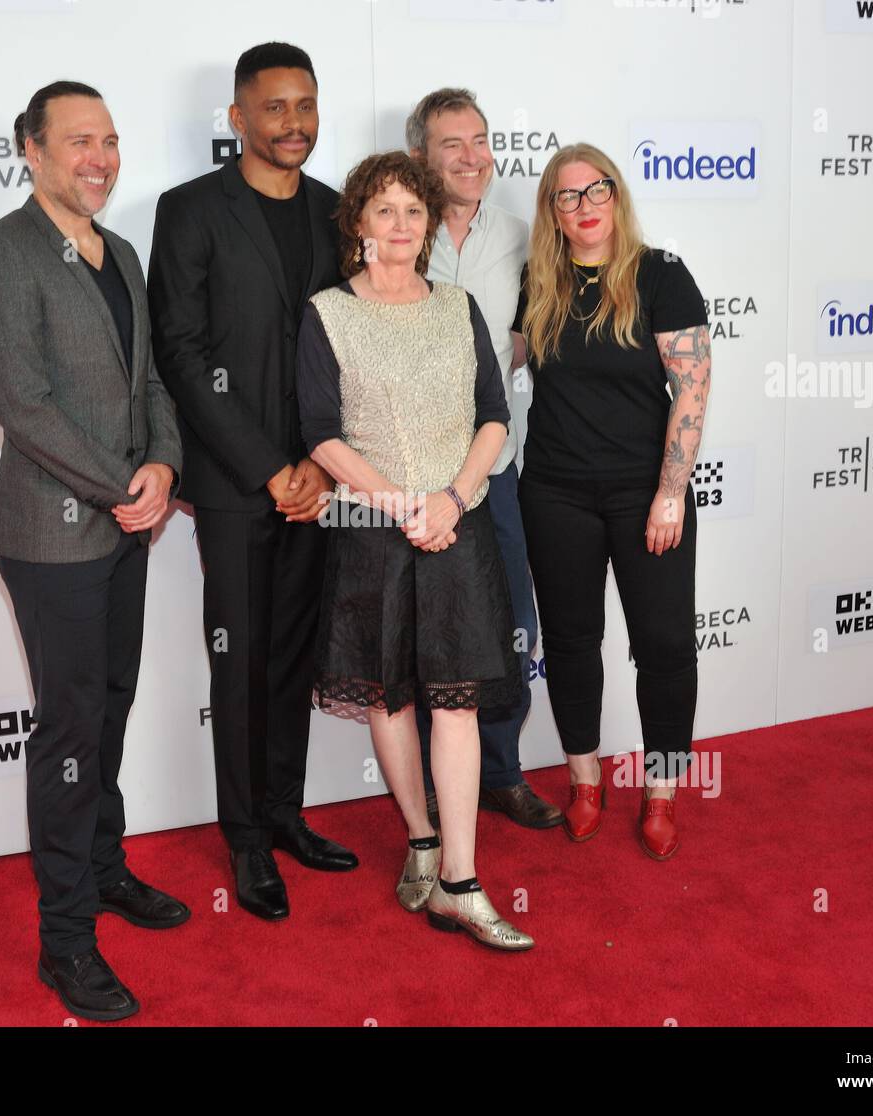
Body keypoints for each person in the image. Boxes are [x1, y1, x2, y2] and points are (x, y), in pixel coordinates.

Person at [0, 81, 187, 1023]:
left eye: (111, 141)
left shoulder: (121, 251)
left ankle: (104, 870)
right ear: (31, 149)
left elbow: (154, 386)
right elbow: (25, 406)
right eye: (78, 141)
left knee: (112, 707)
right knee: (66, 733)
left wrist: (165, 465)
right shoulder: (1, 254)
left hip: (128, 522)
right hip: (53, 537)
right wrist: (120, 487)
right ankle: (66, 944)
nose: (100, 157)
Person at [297, 151, 533, 951]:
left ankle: (461, 883)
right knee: (389, 694)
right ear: (358, 223)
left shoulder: (460, 305)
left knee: (457, 699)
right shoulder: (328, 311)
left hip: (454, 525)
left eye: (412, 211)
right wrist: (401, 504)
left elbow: (494, 413)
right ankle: (422, 839)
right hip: (374, 530)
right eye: (384, 210)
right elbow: (321, 434)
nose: (400, 226)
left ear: (430, 223)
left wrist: (454, 498)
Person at [147, 42, 357, 923]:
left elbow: (352, 341)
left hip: (320, 476)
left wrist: (318, 459)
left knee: (294, 655)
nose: (295, 123)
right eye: (275, 108)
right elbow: (182, 354)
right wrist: (269, 466)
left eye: (306, 105)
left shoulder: (336, 209)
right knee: (240, 661)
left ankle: (284, 813)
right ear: (237, 120)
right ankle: (242, 836)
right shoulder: (189, 210)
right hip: (239, 484)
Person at [514, 143, 712, 857]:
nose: (586, 205)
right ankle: (584, 779)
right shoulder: (538, 281)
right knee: (571, 644)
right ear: (553, 212)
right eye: (568, 196)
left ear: (617, 195)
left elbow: (692, 388)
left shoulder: (661, 274)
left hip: (645, 492)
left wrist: (670, 493)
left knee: (663, 646)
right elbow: (483, 364)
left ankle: (661, 792)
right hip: (554, 490)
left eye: (597, 189)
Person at [407, 88, 562, 832]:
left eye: (480, 142)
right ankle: (430, 793)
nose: (472, 159)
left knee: (508, 625)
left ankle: (499, 772)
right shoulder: (394, 232)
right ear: (418, 158)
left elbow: (536, 339)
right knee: (422, 630)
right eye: (451, 145)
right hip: (409, 478)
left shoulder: (525, 235)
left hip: (497, 470)